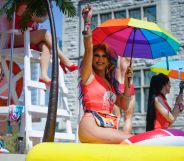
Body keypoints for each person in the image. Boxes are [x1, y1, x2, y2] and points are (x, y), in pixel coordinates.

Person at [78, 5, 133, 144]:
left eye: (104, 56)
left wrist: (127, 83)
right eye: (97, 56)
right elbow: (89, 49)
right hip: (91, 125)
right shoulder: (88, 76)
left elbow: (124, 105)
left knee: (129, 142)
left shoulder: (111, 83)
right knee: (131, 140)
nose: (100, 59)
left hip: (108, 127)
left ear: (109, 61)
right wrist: (87, 22)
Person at [13, 3, 78, 85]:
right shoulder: (23, 5)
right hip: (16, 39)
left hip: (29, 39)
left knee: (45, 46)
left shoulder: (35, 9)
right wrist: (48, 8)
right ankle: (62, 57)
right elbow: (40, 19)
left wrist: (48, 7)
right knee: (45, 33)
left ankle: (43, 75)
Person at [114, 56, 135, 134]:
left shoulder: (113, 53)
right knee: (128, 118)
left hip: (115, 86)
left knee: (116, 118)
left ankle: (114, 140)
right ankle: (125, 142)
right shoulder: (129, 53)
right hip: (128, 86)